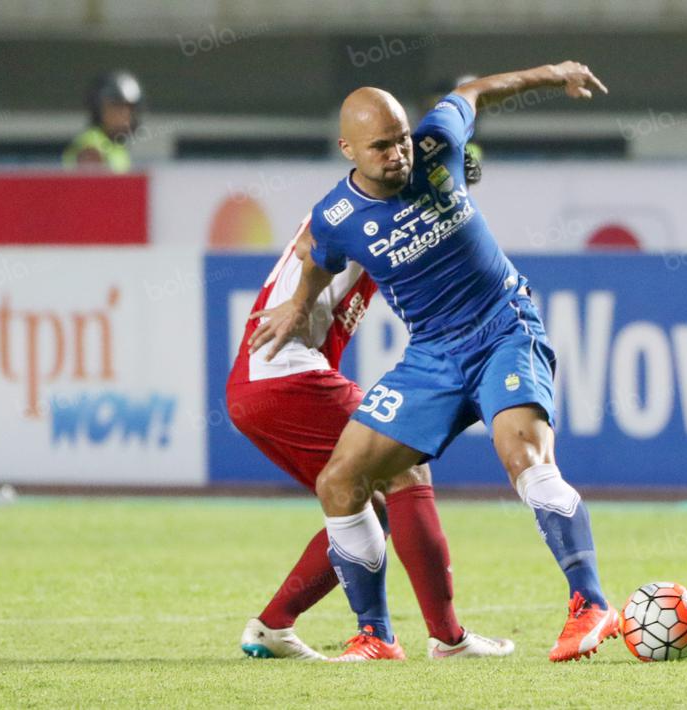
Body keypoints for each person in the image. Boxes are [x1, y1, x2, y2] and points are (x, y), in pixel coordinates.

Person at [249, 61, 615, 663]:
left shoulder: (436, 142)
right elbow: (319, 253)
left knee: (524, 459)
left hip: (503, 329)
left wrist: (555, 74)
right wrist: (297, 302)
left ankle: (590, 605)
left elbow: (473, 91)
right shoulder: (337, 215)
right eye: (381, 146)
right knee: (340, 482)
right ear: (347, 149)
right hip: (433, 357)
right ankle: (375, 636)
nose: (399, 154)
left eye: (400, 138)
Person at [227, 218, 513, 661]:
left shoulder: (379, 212)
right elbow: (312, 242)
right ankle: (444, 638)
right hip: (286, 373)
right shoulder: (372, 207)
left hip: (260, 382)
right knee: (403, 465)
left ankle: (276, 625)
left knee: (363, 500)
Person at [62, 70, 142, 172]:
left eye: (130, 108)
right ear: (98, 109)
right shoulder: (91, 147)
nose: (126, 115)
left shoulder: (116, 146)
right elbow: (90, 186)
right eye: (117, 106)